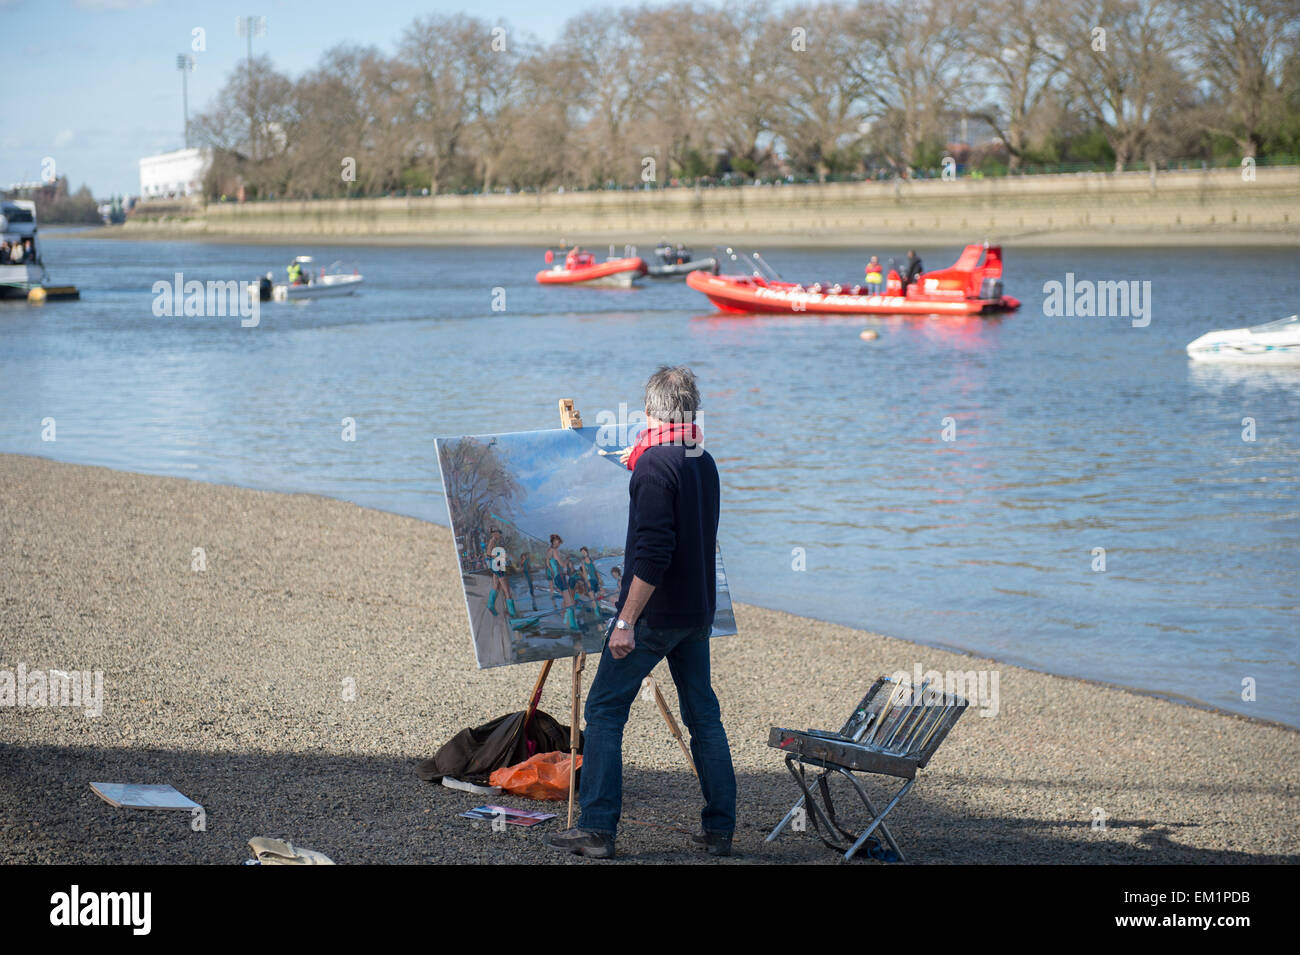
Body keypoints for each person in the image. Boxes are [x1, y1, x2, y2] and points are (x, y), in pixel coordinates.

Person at [545, 365, 735, 860]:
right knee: (704, 719)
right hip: (698, 612)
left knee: (604, 711)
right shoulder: (702, 459)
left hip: (655, 616)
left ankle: (598, 830)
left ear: (651, 410)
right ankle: (719, 832)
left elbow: (652, 554)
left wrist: (626, 621)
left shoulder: (654, 466)